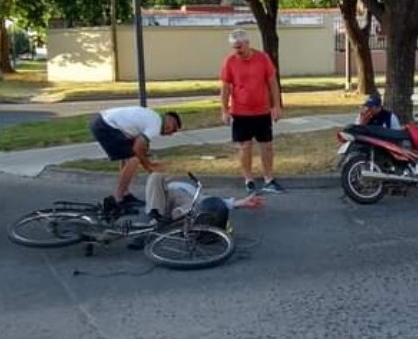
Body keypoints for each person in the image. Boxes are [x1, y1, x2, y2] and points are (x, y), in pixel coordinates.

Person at [124, 172, 264, 250]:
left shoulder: (192, 189)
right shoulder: (164, 186)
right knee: (155, 176)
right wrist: (163, 184)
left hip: (185, 206)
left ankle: (157, 226)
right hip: (162, 203)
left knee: (197, 205)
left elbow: (211, 200)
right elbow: (156, 186)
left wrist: (242, 202)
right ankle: (157, 219)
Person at [220, 28, 285, 195]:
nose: (237, 51)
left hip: (262, 111)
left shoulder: (263, 58)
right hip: (240, 112)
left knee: (267, 147)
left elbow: (272, 84)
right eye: (234, 47)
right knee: (245, 147)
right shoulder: (230, 62)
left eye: (239, 46)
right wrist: (224, 110)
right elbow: (225, 88)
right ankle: (248, 179)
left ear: (248, 44)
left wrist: (276, 106)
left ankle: (269, 179)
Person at [89, 106, 181, 212]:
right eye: (173, 128)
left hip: (105, 121)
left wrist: (146, 158)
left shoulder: (154, 118)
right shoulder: (156, 124)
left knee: (128, 158)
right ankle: (118, 199)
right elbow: (137, 149)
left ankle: (125, 194)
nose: (171, 133)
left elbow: (139, 144)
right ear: (169, 119)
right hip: (106, 125)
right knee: (133, 160)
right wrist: (149, 166)